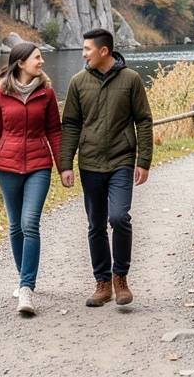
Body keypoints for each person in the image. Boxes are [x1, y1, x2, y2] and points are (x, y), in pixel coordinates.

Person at [58, 28, 153, 307]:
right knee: (95, 225)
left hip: (121, 160)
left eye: (87, 49)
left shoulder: (131, 80)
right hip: (89, 163)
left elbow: (144, 121)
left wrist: (143, 161)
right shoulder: (78, 82)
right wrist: (66, 164)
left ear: (104, 51)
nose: (83, 53)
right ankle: (102, 283)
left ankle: (120, 277)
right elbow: (72, 125)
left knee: (120, 217)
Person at [0, 41, 62, 316]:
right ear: (21, 63)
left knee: (29, 223)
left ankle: (26, 288)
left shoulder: (46, 93)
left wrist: (64, 167)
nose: (42, 62)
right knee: (15, 226)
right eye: (37, 58)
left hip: (39, 165)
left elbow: (55, 132)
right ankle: (23, 275)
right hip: (7, 167)